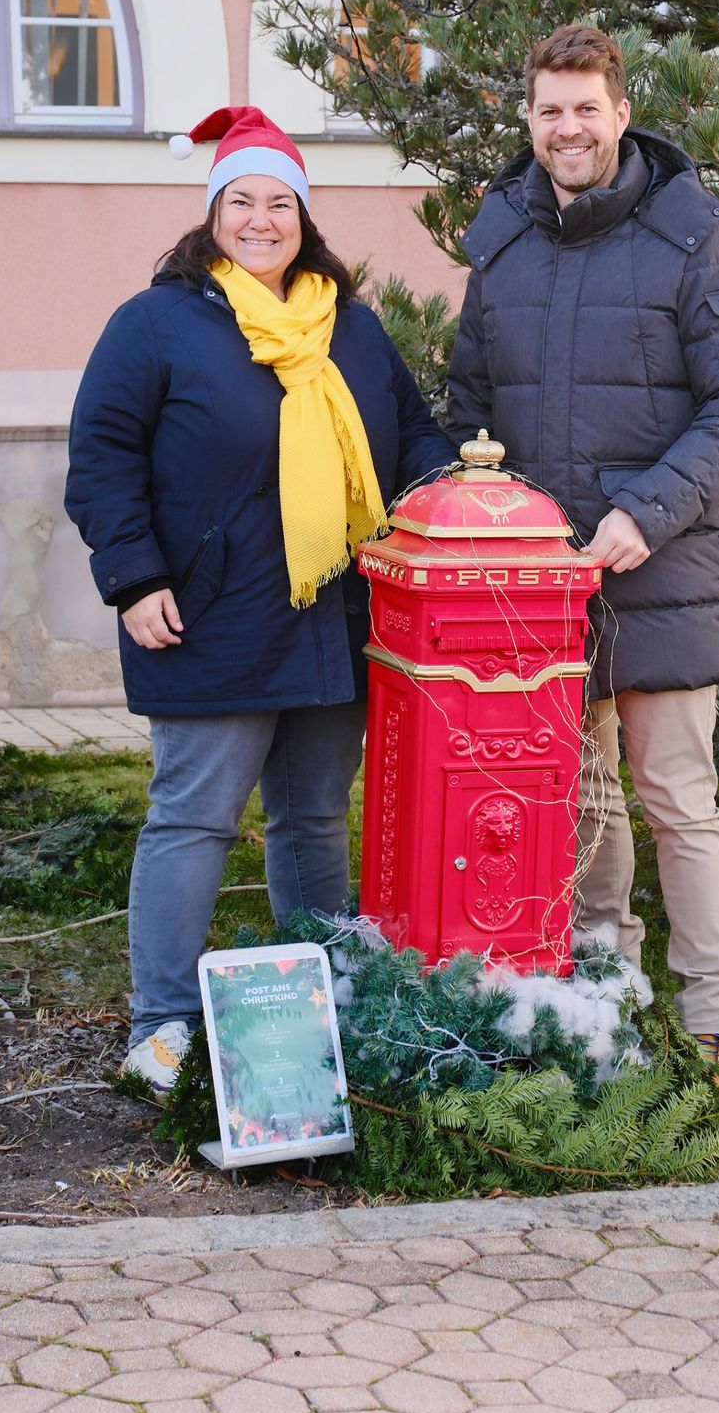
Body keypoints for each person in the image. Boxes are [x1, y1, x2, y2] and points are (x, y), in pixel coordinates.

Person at [66, 105, 452, 1096]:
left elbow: (412, 437)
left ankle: (312, 1012)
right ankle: (162, 1027)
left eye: (281, 202)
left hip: (331, 617)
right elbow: (102, 457)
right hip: (207, 613)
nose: (261, 218)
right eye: (241, 200)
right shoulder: (157, 323)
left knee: (315, 819)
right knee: (193, 817)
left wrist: (452, 499)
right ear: (211, 217)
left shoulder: (352, 330)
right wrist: (134, 577)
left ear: (305, 219)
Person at [447, 26, 719, 1095]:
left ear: (621, 112)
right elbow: (468, 406)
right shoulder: (500, 239)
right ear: (528, 118)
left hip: (661, 569)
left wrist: (647, 511)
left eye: (586, 108)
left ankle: (709, 1022)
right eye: (549, 109)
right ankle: (605, 1000)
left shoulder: (693, 238)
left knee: (676, 798)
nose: (568, 128)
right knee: (580, 802)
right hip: (542, 587)